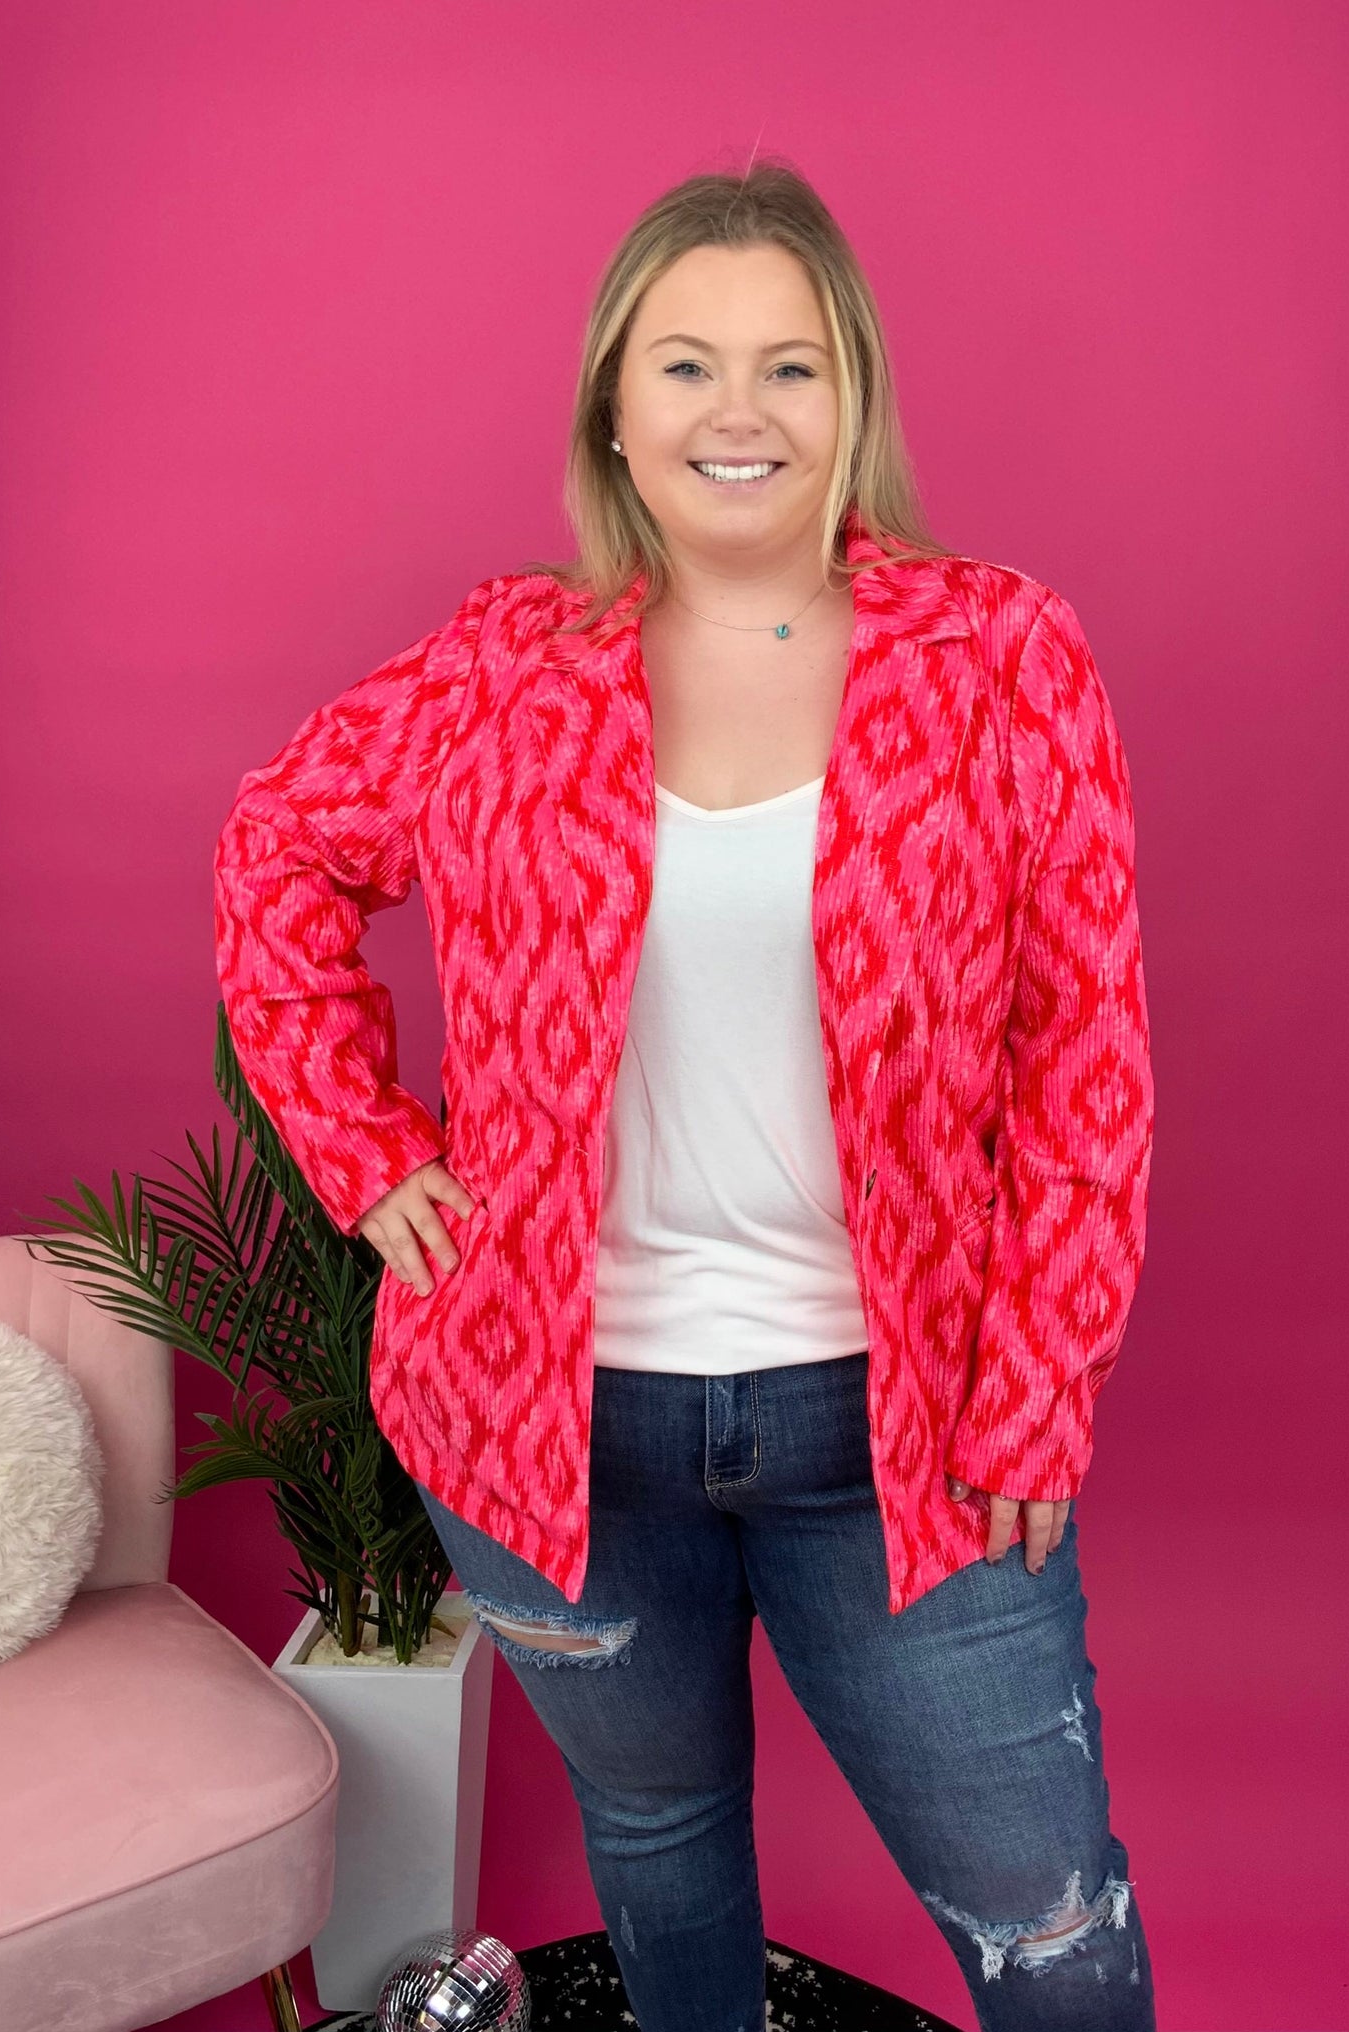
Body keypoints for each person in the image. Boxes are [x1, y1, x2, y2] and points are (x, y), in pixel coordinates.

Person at [213, 159, 1155, 2032]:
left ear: (853, 398)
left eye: (791, 366)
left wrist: (1039, 1395)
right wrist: (365, 1152)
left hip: (900, 1427)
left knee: (1048, 1928)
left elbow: (1085, 1049)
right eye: (688, 366)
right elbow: (278, 847)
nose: (742, 411)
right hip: (552, 1428)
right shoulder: (507, 663)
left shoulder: (999, 655)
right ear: (616, 414)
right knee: (660, 1846)